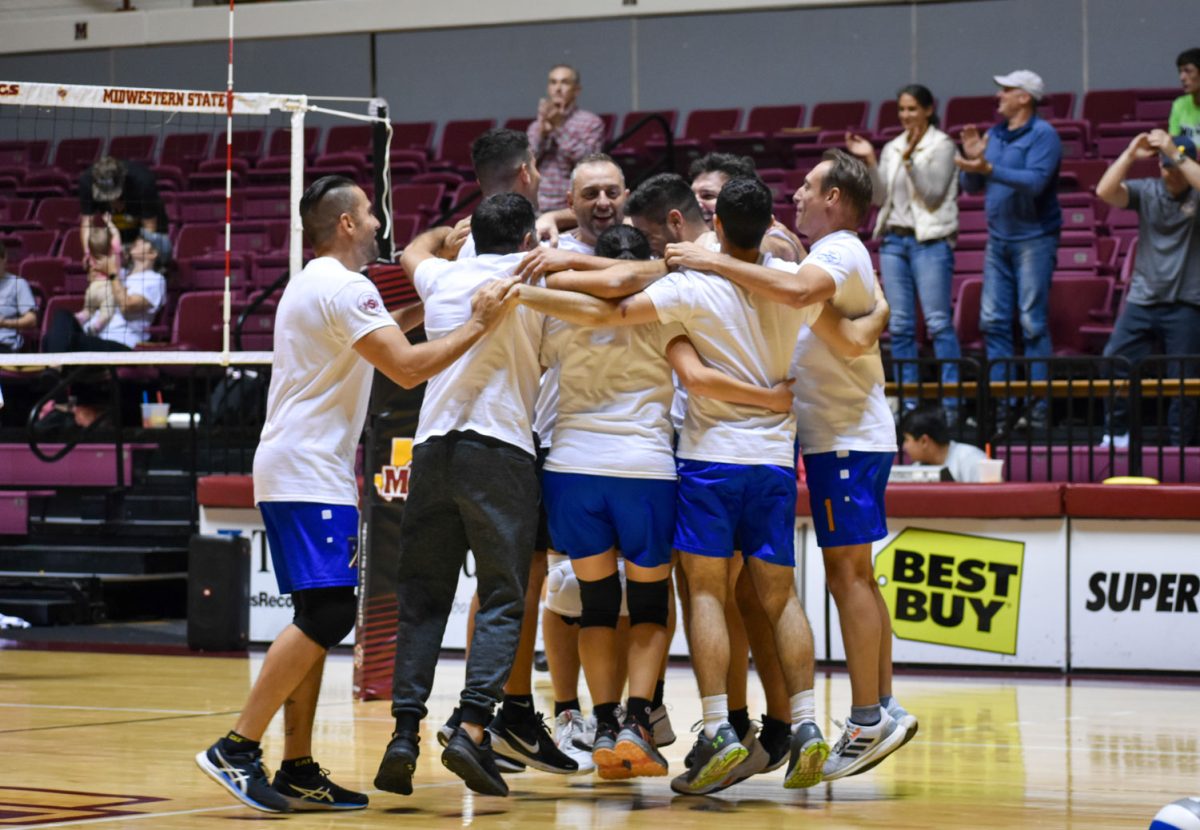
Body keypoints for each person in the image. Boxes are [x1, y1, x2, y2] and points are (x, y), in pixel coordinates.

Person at [517, 176, 889, 794]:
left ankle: (716, 725)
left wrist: (540, 286)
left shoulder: (690, 286)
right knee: (781, 597)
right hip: (772, 460)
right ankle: (804, 722)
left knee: (706, 597)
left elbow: (613, 307)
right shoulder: (784, 282)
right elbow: (850, 328)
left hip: (707, 459)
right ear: (768, 224)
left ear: (714, 226)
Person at [195, 175, 516, 814]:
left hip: (296, 467)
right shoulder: (346, 286)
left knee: (315, 614)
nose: (377, 224)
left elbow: (380, 336)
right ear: (344, 223)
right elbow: (407, 366)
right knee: (329, 616)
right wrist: (479, 321)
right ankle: (237, 746)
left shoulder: (315, 283)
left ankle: (296, 766)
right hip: (309, 472)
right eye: (368, 214)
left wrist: (432, 305)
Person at [665, 150, 915, 782]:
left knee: (848, 577)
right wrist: (874, 318)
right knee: (852, 575)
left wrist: (710, 258)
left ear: (834, 197)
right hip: (828, 438)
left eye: (808, 186)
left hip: (842, 437)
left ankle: (867, 715)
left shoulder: (836, 251)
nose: (797, 194)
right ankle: (875, 707)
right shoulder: (822, 258)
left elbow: (805, 294)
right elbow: (847, 331)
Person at [376, 193, 558, 799]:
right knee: (505, 597)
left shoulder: (444, 277)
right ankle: (473, 726)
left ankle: (403, 733)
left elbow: (411, 250)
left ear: (473, 234)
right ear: (527, 237)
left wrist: (445, 236)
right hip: (500, 450)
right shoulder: (529, 283)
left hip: (431, 449)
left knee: (423, 599)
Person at [957, 69, 1062, 434]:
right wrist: (973, 161)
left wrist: (989, 166)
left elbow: (1035, 183)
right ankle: (1002, 409)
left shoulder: (1044, 135)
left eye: (1006, 90)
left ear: (1025, 97)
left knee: (1032, 323)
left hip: (1035, 238)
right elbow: (971, 184)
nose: (998, 95)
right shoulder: (996, 134)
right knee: (994, 323)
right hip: (998, 239)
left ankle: (1037, 410)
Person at [847, 84, 961, 416]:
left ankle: (952, 405)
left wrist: (911, 160)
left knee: (938, 323)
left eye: (912, 109)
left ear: (927, 110)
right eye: (902, 110)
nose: (906, 115)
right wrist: (870, 159)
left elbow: (933, 194)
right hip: (895, 241)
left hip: (930, 242)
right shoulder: (893, 146)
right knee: (899, 326)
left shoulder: (942, 145)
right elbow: (881, 198)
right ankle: (909, 406)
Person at [1095, 131, 1200, 447]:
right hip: (1143, 299)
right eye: (1166, 166)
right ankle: (1117, 434)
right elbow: (1104, 191)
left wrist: (1177, 154)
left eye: (1177, 167)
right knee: (1113, 362)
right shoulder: (1149, 191)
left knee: (1182, 378)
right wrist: (1129, 154)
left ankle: (1179, 444)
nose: (1172, 173)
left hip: (1186, 301)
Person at [42, 232, 168, 353]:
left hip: (121, 343)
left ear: (153, 253)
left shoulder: (156, 280)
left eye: (144, 241)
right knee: (60, 318)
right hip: (94, 336)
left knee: (61, 342)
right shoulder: (121, 273)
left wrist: (112, 274)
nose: (138, 241)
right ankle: (55, 370)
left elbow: (127, 306)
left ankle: (55, 370)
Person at [689, 152, 806, 262]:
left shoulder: (776, 234)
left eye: (707, 196)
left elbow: (783, 249)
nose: (695, 204)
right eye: (691, 196)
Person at [527, 65, 605, 213]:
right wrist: (541, 134)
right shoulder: (536, 126)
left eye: (564, 82)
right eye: (553, 82)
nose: (558, 88)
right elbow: (527, 163)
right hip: (538, 206)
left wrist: (559, 128)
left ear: (577, 90)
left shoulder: (591, 122)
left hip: (572, 207)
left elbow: (589, 162)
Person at [78, 156, 169, 253]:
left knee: (155, 253)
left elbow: (149, 224)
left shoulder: (143, 181)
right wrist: (88, 253)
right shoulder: (86, 182)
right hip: (118, 225)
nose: (112, 200)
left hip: (149, 221)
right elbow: (87, 222)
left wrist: (141, 254)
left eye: (114, 195)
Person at [900, 408, 987, 482]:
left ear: (924, 441)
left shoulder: (971, 459)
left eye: (907, 440)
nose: (904, 446)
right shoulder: (917, 467)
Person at [0, 245, 36, 352]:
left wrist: (5, 323)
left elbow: (32, 319)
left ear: (4, 258)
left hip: (4, 344)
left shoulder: (18, 284)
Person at [1169, 48, 1200, 140]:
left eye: (1188, 71)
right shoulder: (1179, 104)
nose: (1182, 77)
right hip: (1182, 154)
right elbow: (1173, 142)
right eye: (1180, 71)